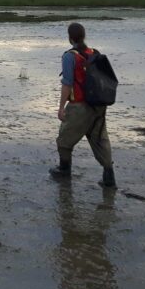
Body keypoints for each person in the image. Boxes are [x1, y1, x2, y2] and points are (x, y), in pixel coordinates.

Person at [49, 22, 116, 188]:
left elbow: (67, 83)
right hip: (98, 105)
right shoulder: (94, 53)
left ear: (70, 38)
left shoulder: (69, 56)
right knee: (100, 139)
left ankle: (64, 170)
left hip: (79, 106)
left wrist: (61, 108)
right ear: (84, 36)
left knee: (64, 140)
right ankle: (109, 177)